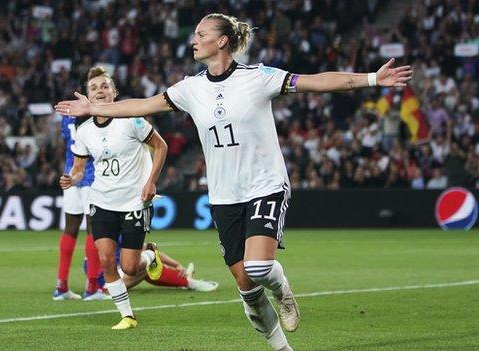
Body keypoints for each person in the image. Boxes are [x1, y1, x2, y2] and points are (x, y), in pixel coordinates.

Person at [55, 13, 411, 350]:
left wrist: (371, 79)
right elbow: (142, 105)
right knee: (245, 286)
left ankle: (283, 289)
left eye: (201, 35)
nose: (193, 41)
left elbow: (315, 82)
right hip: (224, 194)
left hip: (265, 183)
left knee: (258, 267)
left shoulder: (258, 77)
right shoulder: (190, 88)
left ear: (222, 41)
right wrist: (93, 109)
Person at [59, 66, 168, 330]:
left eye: (105, 86)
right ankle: (127, 316)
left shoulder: (132, 119)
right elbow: (79, 168)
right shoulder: (84, 131)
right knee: (107, 259)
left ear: (114, 93)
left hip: (134, 201)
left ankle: (150, 255)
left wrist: (151, 181)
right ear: (87, 95)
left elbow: (161, 146)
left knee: (130, 267)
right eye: (94, 88)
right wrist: (71, 179)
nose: (99, 91)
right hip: (102, 200)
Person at [52, 114, 109, 301]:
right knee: (93, 229)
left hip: (70, 173)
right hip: (90, 174)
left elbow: (66, 141)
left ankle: (61, 286)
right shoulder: (95, 114)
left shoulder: (67, 117)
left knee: (70, 228)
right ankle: (92, 287)